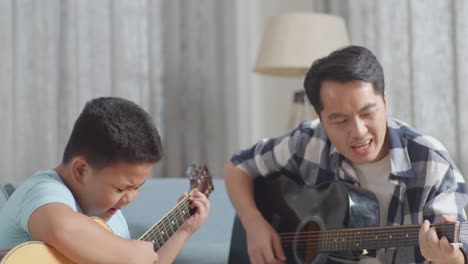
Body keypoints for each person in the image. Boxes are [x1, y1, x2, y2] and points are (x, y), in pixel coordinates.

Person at [224, 46, 468, 264]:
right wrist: (253, 223)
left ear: (384, 100)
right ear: (319, 118)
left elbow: (457, 255)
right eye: (339, 120)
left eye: (368, 113)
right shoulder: (309, 141)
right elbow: (237, 166)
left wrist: (448, 258)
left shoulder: (431, 162)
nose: (358, 132)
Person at [0, 97, 210, 263]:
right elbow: (62, 229)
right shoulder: (42, 191)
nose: (129, 197)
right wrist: (130, 253)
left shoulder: (111, 218)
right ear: (81, 170)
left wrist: (183, 230)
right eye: (121, 188)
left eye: (137, 188)